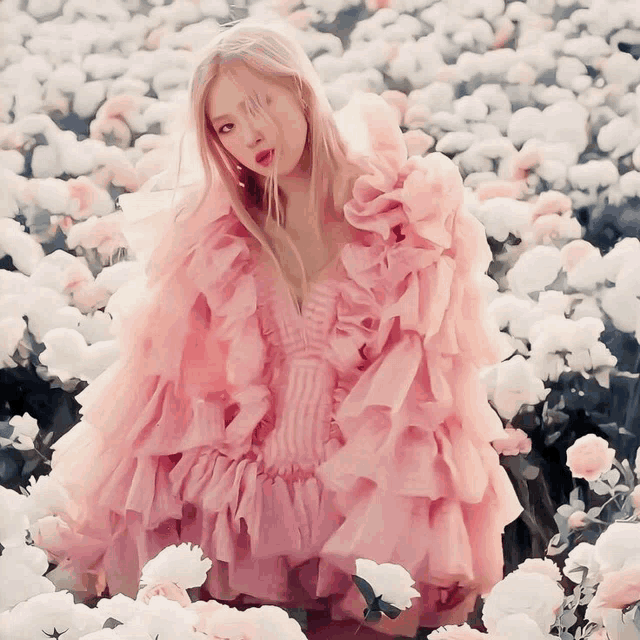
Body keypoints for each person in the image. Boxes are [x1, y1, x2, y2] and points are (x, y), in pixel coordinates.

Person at [32, 18, 523, 638]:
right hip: (236, 528)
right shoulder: (215, 239)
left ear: (300, 88)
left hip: (360, 525)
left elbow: (429, 400)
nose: (248, 134)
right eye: (226, 125)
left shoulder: (407, 218)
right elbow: (169, 405)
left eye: (258, 103)